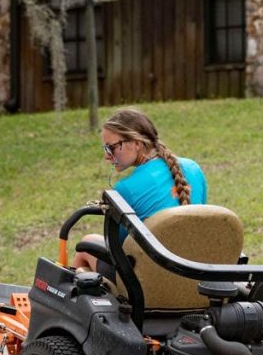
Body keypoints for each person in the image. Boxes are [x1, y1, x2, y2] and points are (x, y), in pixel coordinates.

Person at [72, 107, 207, 271]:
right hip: (196, 270)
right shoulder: (193, 168)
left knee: (87, 244)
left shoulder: (125, 189)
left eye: (111, 147)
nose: (106, 156)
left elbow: (117, 249)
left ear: (136, 143)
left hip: (150, 282)